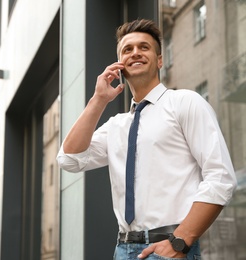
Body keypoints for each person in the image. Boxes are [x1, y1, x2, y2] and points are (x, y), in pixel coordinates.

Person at [56, 19, 237, 259]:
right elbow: (69, 159)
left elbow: (220, 177)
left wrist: (180, 241)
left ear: (159, 60)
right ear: (119, 64)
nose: (135, 53)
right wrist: (98, 100)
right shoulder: (117, 126)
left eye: (144, 47)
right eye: (127, 49)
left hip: (171, 246)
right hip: (123, 249)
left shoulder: (184, 102)